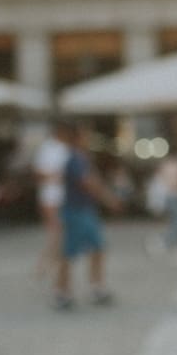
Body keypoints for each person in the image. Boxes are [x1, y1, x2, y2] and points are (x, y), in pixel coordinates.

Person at [54, 123, 115, 309]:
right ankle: (63, 291)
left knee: (96, 248)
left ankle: (95, 287)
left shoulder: (80, 158)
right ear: (78, 138)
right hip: (76, 210)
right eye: (85, 136)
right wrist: (107, 198)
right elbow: (87, 182)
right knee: (70, 251)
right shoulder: (75, 159)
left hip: (82, 209)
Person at [32, 123, 71, 279]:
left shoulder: (65, 148)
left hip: (61, 195)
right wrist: (56, 177)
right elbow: (39, 172)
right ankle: (44, 264)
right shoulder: (48, 148)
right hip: (51, 195)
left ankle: (50, 262)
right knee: (56, 231)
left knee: (58, 231)